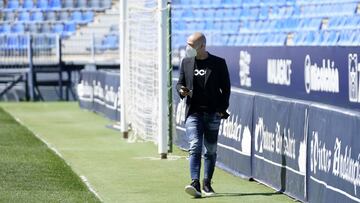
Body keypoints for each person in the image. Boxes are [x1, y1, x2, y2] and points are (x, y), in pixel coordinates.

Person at [176, 32, 231, 198]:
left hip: (213, 112)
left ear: (202, 46)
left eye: (191, 45)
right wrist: (181, 90)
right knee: (195, 145)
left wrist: (222, 108)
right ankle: (195, 182)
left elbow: (226, 88)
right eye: (188, 43)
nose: (188, 47)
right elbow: (180, 83)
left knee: (211, 150)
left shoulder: (218, 63)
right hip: (193, 112)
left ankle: (207, 183)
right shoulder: (186, 62)